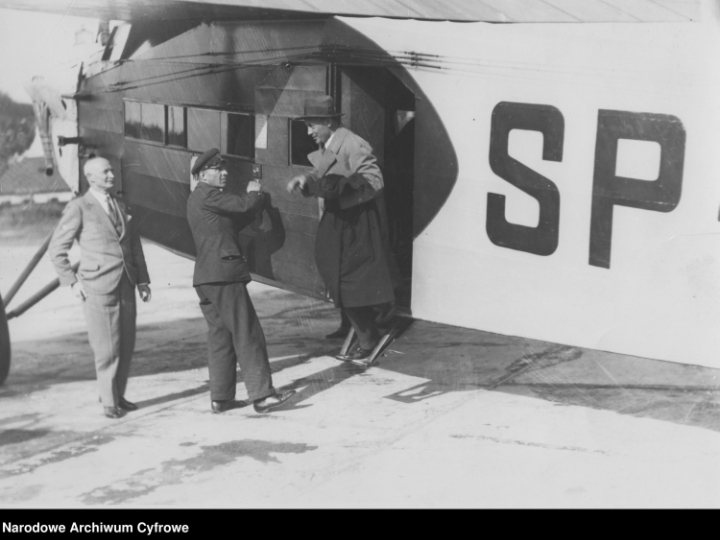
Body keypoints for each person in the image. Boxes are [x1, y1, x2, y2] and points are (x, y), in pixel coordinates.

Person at [287, 95, 399, 367]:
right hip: (341, 220)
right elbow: (322, 172)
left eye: (312, 125)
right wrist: (308, 178)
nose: (309, 132)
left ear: (328, 122)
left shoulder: (352, 143)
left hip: (357, 222)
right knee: (336, 274)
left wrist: (337, 188)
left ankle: (369, 336)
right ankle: (364, 328)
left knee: (350, 281)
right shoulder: (331, 143)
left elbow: (375, 181)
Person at [187, 148, 295, 413]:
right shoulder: (210, 194)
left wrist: (254, 207)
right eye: (218, 170)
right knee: (248, 332)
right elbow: (244, 204)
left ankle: (221, 398)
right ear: (203, 174)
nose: (224, 174)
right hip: (223, 275)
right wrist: (256, 192)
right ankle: (262, 396)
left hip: (206, 277)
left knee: (221, 335)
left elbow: (231, 223)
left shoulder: (198, 198)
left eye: (224, 169)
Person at [49, 156, 151, 419]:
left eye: (111, 171)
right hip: (97, 287)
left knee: (126, 344)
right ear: (90, 177)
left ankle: (118, 394)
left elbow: (134, 245)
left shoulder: (119, 203)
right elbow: (57, 249)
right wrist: (72, 282)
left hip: (126, 283)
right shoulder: (79, 207)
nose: (111, 176)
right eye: (105, 172)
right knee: (106, 348)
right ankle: (108, 402)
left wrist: (143, 280)